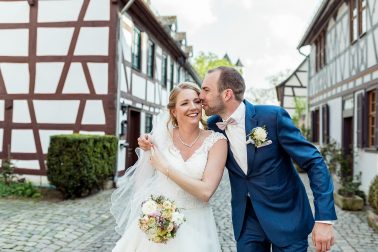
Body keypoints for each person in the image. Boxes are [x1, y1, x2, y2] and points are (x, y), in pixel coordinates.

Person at [139, 66, 337, 252]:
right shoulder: (215, 126)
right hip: (247, 222)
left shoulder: (272, 117)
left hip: (287, 218)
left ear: (226, 94)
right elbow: (187, 134)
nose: (200, 96)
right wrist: (150, 139)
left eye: (206, 90)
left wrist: (324, 219)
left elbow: (314, 162)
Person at [111, 82, 227, 252]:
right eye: (185, 103)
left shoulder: (217, 142)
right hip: (160, 220)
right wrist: (152, 214)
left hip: (198, 223)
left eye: (196, 101)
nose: (193, 107)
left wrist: (166, 168)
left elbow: (205, 192)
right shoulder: (160, 137)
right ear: (173, 111)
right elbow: (142, 181)